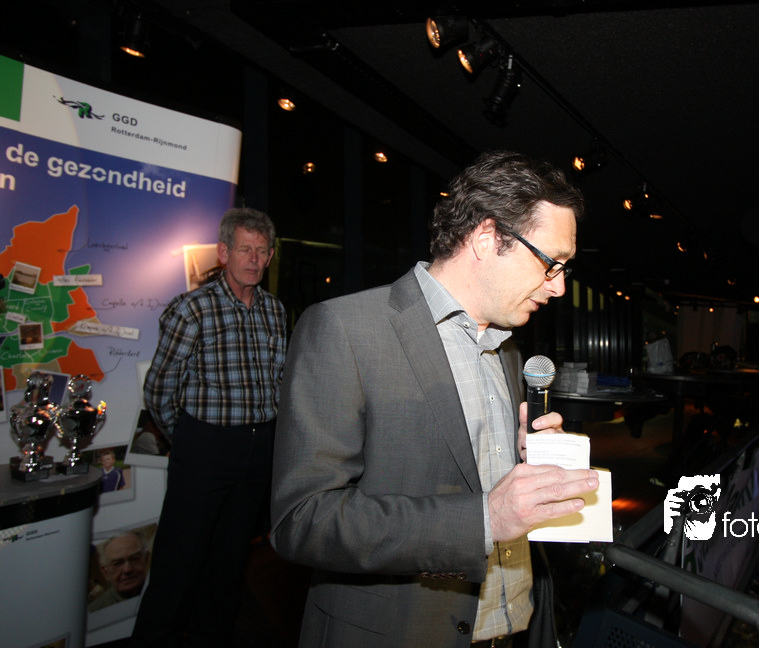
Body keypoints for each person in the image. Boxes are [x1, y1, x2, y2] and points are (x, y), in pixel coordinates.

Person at [270, 151, 599, 648]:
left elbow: (474, 476)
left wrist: (524, 460)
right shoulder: (345, 329)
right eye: (552, 263)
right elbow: (303, 520)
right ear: (487, 238)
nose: (559, 288)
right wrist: (485, 520)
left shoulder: (508, 348)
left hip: (512, 627)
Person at [131, 208, 288, 648]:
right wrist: (186, 438)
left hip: (258, 452)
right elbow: (159, 388)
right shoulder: (192, 309)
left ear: (270, 257)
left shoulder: (275, 311)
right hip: (204, 449)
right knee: (177, 566)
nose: (254, 259)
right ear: (223, 252)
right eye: (245, 249)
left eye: (262, 251)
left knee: (228, 566)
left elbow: (279, 382)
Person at [89, 531, 150, 612]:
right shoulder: (95, 611)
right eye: (117, 564)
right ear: (105, 572)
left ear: (146, 559)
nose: (127, 569)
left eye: (134, 558)